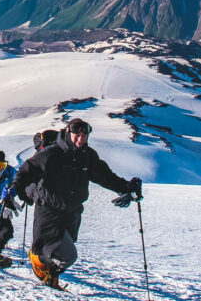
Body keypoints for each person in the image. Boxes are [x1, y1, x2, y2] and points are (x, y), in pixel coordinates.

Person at [12, 118, 143, 289]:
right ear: (68, 133)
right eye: (77, 135)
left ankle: (50, 279)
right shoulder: (53, 154)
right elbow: (27, 170)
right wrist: (14, 190)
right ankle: (38, 260)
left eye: (84, 135)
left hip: (73, 211)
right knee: (67, 255)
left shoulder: (87, 156)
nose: (81, 139)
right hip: (49, 211)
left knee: (63, 251)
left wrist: (126, 187)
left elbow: (105, 176)